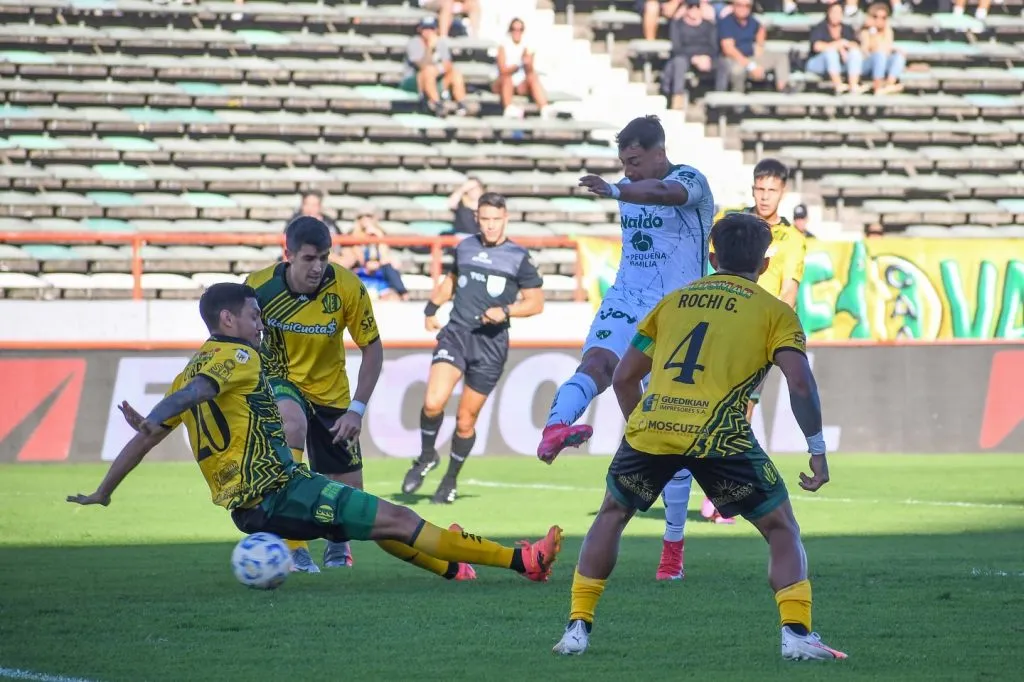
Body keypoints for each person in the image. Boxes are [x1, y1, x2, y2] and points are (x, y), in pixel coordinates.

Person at [67, 283, 563, 587]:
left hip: (253, 509)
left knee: (380, 523)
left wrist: (105, 491)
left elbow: (150, 434)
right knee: (397, 517)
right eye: (254, 316)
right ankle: (524, 561)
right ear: (227, 319)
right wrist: (157, 415)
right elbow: (194, 395)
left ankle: (454, 564)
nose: (260, 325)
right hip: (280, 492)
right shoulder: (237, 356)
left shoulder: (186, 370)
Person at [550, 214, 846, 662]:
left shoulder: (673, 303)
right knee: (781, 527)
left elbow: (626, 377)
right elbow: (801, 384)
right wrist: (817, 448)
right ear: (765, 265)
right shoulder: (775, 313)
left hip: (654, 430)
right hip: (719, 437)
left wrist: (641, 430)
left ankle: (576, 628)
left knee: (612, 514)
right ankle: (797, 635)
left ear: (711, 257)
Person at [536, 115, 714, 582]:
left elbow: (664, 194)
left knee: (670, 428)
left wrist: (617, 189)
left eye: (635, 161)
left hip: (677, 311)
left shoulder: (691, 180)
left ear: (660, 153)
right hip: (626, 299)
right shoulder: (629, 187)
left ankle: (672, 550)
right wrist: (621, 188)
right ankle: (554, 428)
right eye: (623, 163)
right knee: (596, 364)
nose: (628, 170)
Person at [667, 158, 807, 536]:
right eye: (760, 189)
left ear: (783, 192)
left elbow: (789, 291)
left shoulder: (792, 239)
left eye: (772, 190)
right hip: (717, 324)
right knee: (719, 409)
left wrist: (770, 330)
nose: (765, 196)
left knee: (737, 413)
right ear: (753, 189)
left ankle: (717, 493)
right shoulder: (731, 222)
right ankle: (713, 488)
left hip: (754, 336)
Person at [243, 217, 381, 573]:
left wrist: (356, 410)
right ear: (288, 254)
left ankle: (338, 544)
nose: (318, 267)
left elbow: (372, 348)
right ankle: (293, 546)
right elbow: (237, 343)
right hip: (280, 382)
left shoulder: (347, 287)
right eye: (309, 258)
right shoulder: (258, 287)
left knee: (350, 493)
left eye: (324, 257)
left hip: (331, 394)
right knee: (291, 423)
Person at [402, 193, 545, 503]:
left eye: (496, 219)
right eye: (485, 219)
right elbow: (452, 280)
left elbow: (536, 303)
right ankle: (426, 457)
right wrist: (431, 308)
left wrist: (506, 311)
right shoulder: (465, 247)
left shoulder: (518, 257)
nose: (491, 225)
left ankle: (450, 479)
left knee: (465, 420)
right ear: (477, 219)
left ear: (505, 219)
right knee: (433, 402)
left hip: (491, 345)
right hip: (456, 334)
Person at [401, 16, 468, 117]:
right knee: (428, 71)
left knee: (455, 73)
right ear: (420, 30)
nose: (428, 32)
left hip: (435, 78)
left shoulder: (440, 43)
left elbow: (448, 64)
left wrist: (438, 70)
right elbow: (422, 65)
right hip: (414, 80)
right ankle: (436, 104)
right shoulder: (414, 42)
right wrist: (430, 48)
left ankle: (461, 104)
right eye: (425, 29)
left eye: (431, 29)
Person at [344, 210, 410, 300]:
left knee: (390, 267)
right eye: (362, 217)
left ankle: (403, 294)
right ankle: (403, 294)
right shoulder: (352, 235)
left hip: (378, 272)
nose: (365, 219)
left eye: (369, 216)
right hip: (361, 272)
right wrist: (364, 238)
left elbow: (384, 256)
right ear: (358, 220)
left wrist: (378, 236)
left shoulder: (379, 233)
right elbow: (358, 259)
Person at [493, 18, 548, 118]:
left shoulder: (526, 46)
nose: (517, 32)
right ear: (510, 30)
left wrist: (528, 62)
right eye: (514, 29)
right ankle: (508, 108)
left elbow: (529, 71)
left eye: (520, 29)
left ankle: (544, 108)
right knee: (507, 78)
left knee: (533, 76)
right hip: (503, 83)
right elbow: (502, 70)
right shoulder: (503, 46)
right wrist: (518, 64)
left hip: (519, 84)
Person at [805, 1, 863, 95]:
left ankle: (853, 85)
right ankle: (838, 85)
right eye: (833, 12)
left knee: (855, 53)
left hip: (841, 63)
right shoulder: (820, 27)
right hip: (818, 63)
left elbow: (855, 45)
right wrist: (838, 45)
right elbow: (817, 46)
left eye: (838, 13)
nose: (836, 15)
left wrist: (844, 45)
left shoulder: (847, 29)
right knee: (830, 52)